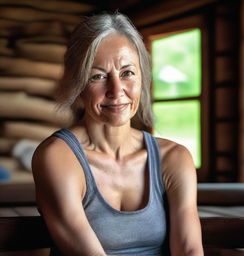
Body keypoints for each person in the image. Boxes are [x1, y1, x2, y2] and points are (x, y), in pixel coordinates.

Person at [32, 12, 204, 256]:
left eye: (127, 73)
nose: (116, 90)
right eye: (98, 76)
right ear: (77, 84)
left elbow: (189, 250)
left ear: (142, 77)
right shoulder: (57, 157)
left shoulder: (174, 158)